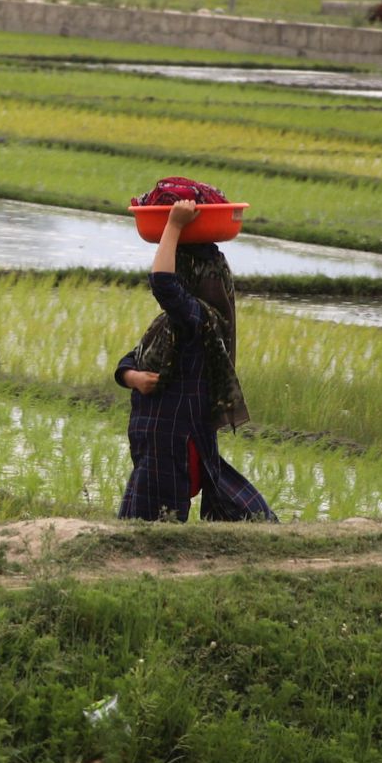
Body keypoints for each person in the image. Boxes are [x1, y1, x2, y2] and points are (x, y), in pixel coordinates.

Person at [115, 185, 276, 523]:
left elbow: (162, 283)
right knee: (142, 524)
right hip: (155, 440)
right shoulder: (170, 325)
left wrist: (173, 226)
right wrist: (134, 378)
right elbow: (129, 360)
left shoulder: (199, 320)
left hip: (174, 441)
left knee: (154, 527)